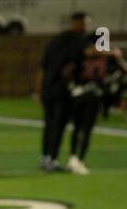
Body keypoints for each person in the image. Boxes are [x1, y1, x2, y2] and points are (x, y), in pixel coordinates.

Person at [35, 11, 93, 172]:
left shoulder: (54, 41)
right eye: (86, 23)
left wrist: (39, 91)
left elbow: (42, 68)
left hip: (48, 88)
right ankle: (52, 159)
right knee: (58, 126)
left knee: (48, 126)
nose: (87, 27)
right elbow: (73, 65)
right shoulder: (78, 40)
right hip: (62, 89)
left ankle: (45, 158)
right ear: (78, 23)